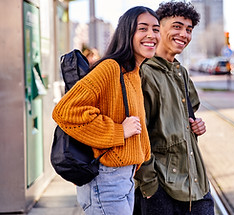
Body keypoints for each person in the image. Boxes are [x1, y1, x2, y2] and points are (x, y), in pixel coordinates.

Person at [52, 6, 160, 215]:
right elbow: (65, 111)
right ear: (127, 32)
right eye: (143, 28)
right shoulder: (110, 68)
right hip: (106, 179)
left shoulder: (134, 73)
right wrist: (119, 131)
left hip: (124, 177)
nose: (151, 35)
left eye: (155, 29)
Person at [134, 1, 214, 215]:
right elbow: (137, 135)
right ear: (158, 28)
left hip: (195, 182)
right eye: (177, 26)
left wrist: (196, 125)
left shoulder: (182, 72)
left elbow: (185, 117)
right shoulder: (144, 73)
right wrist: (150, 187)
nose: (184, 35)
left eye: (189, 30)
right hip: (162, 188)